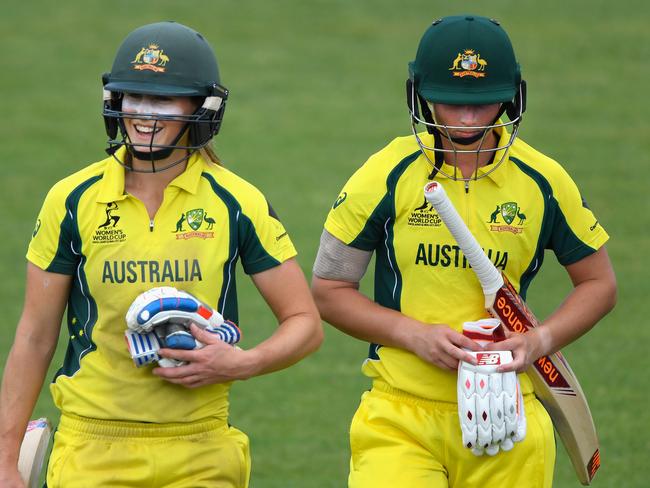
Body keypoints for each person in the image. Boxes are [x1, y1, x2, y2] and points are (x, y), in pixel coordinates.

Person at [0, 21, 322, 488]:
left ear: (202, 108)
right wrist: (6, 460)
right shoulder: (70, 199)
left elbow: (305, 323)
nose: (145, 114)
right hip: (91, 450)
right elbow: (34, 337)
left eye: (164, 100)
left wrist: (243, 362)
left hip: (202, 451)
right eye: (135, 97)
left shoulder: (237, 201)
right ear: (116, 102)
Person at [311, 14, 616, 488]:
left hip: (509, 416)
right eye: (452, 103)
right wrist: (413, 335)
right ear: (420, 94)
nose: (468, 119)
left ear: (512, 96)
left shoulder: (543, 181)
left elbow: (599, 284)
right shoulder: (385, 174)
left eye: (482, 103)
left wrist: (539, 341)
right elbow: (329, 288)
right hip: (400, 418)